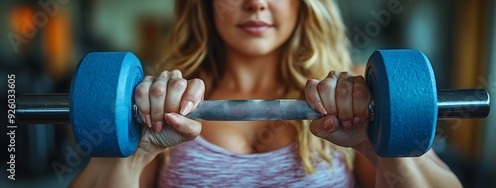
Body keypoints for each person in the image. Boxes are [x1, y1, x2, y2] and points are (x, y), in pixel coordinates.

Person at [70, 0, 462, 187]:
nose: (256, 4)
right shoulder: (160, 100)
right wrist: (138, 150)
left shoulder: (362, 93)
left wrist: (380, 152)